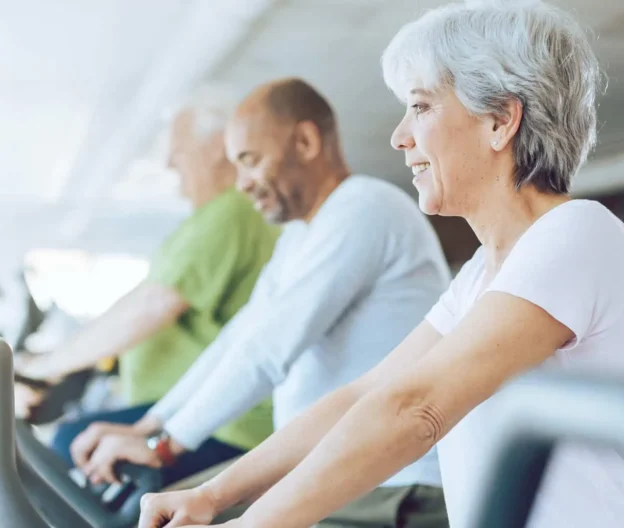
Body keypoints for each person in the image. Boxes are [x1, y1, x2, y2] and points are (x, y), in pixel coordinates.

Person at [135, 2, 624, 528]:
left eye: (421, 107)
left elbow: (416, 410)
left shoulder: (576, 234)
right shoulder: (479, 275)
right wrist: (212, 497)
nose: (400, 137)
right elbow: (365, 395)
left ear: (500, 120)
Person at [74, 78, 451, 527]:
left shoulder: (364, 209)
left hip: (394, 483)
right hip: (326, 469)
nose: (244, 183)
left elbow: (268, 351)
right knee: (168, 507)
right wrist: (149, 427)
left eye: (251, 161)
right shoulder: (299, 235)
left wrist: (166, 445)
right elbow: (242, 335)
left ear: (306, 141)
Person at [15, 103, 279, 487]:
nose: (170, 164)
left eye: (178, 151)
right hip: (180, 405)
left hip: (230, 424)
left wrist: (45, 367)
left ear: (216, 147)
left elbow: (153, 306)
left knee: (70, 446)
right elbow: (138, 301)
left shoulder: (231, 214)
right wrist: (52, 363)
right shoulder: (207, 218)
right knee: (72, 446)